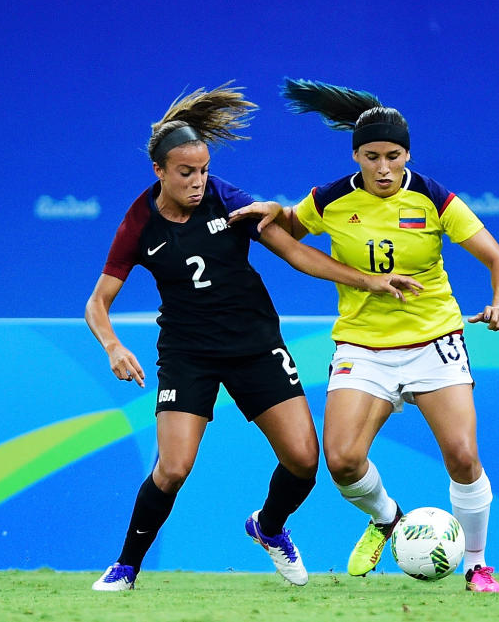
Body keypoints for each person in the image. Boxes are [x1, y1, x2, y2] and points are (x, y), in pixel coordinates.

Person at [84, 82, 422, 591]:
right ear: (159, 171)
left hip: (254, 345)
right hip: (188, 353)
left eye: (202, 169)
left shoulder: (226, 200)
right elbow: (97, 304)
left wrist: (369, 281)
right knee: (173, 468)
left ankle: (267, 527)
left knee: (305, 461)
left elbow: (295, 252)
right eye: (185, 173)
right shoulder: (138, 223)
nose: (199, 181)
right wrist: (112, 344)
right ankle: (126, 566)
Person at [229, 78, 499, 592]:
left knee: (464, 457)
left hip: (434, 342)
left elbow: (498, 259)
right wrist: (274, 212)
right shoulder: (332, 199)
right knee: (340, 461)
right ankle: (389, 520)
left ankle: (477, 565)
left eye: (394, 155)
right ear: (356, 155)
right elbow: (289, 234)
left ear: (407, 153)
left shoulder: (434, 199)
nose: (384, 168)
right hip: (362, 347)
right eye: (372, 156)